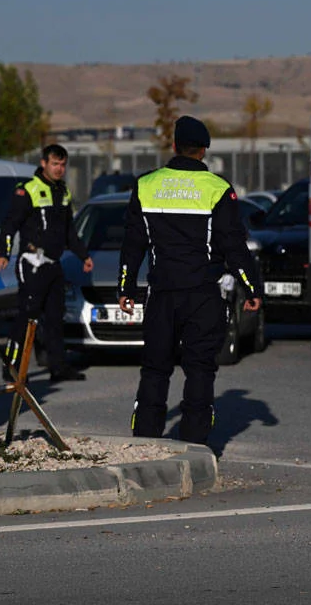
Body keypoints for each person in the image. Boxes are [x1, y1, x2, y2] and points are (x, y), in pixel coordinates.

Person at [118, 116, 262, 444]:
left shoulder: (145, 185)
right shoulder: (217, 188)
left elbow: (132, 245)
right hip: (201, 295)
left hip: (161, 295)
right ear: (204, 151)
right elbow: (233, 245)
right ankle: (195, 444)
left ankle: (145, 443)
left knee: (155, 369)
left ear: (173, 147)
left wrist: (125, 287)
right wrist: (251, 287)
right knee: (199, 369)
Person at [0, 144, 93, 383]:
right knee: (27, 316)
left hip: (53, 264)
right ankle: (13, 367)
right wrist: (3, 253)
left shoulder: (63, 191)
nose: (59, 169)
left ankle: (58, 366)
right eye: (54, 164)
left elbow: (69, 230)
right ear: (43, 163)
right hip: (32, 263)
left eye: (62, 164)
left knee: (55, 316)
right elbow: (10, 225)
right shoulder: (27, 190)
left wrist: (83, 255)